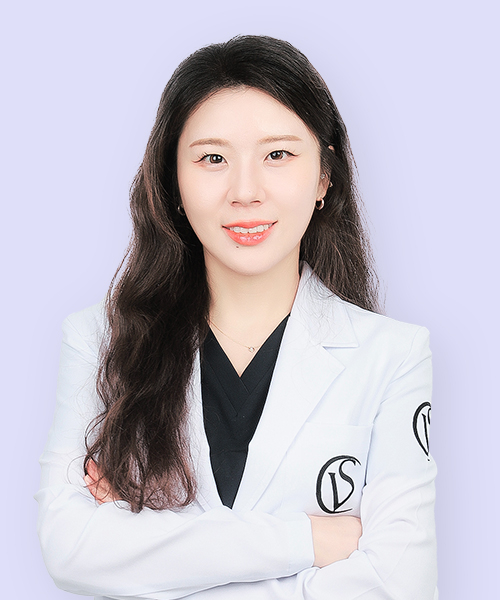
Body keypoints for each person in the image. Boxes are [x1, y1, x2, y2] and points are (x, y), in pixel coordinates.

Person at [36, 35, 438, 599]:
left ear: (324, 177)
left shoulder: (392, 355)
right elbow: (70, 548)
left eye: (278, 155)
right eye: (213, 159)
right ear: (173, 182)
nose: (245, 192)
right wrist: (309, 540)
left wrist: (149, 554)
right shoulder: (100, 341)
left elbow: (401, 584)